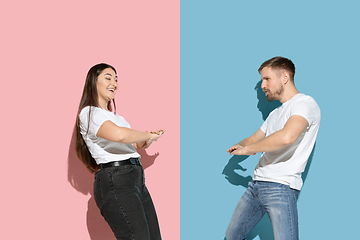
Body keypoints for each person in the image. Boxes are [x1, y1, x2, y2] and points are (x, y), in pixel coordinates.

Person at [225, 57, 320, 240]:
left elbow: (287, 137)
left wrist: (249, 149)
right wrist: (241, 145)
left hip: (281, 187)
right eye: (262, 80)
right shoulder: (275, 114)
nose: (262, 85)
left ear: (285, 77)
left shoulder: (305, 104)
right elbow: (253, 138)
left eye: (267, 79)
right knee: (232, 236)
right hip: (255, 186)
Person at [75, 63, 164, 240]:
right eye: (108, 77)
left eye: (116, 79)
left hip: (135, 179)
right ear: (93, 82)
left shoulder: (117, 117)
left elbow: (132, 144)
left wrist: (147, 140)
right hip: (116, 179)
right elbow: (120, 136)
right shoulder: (88, 113)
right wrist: (144, 134)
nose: (114, 83)